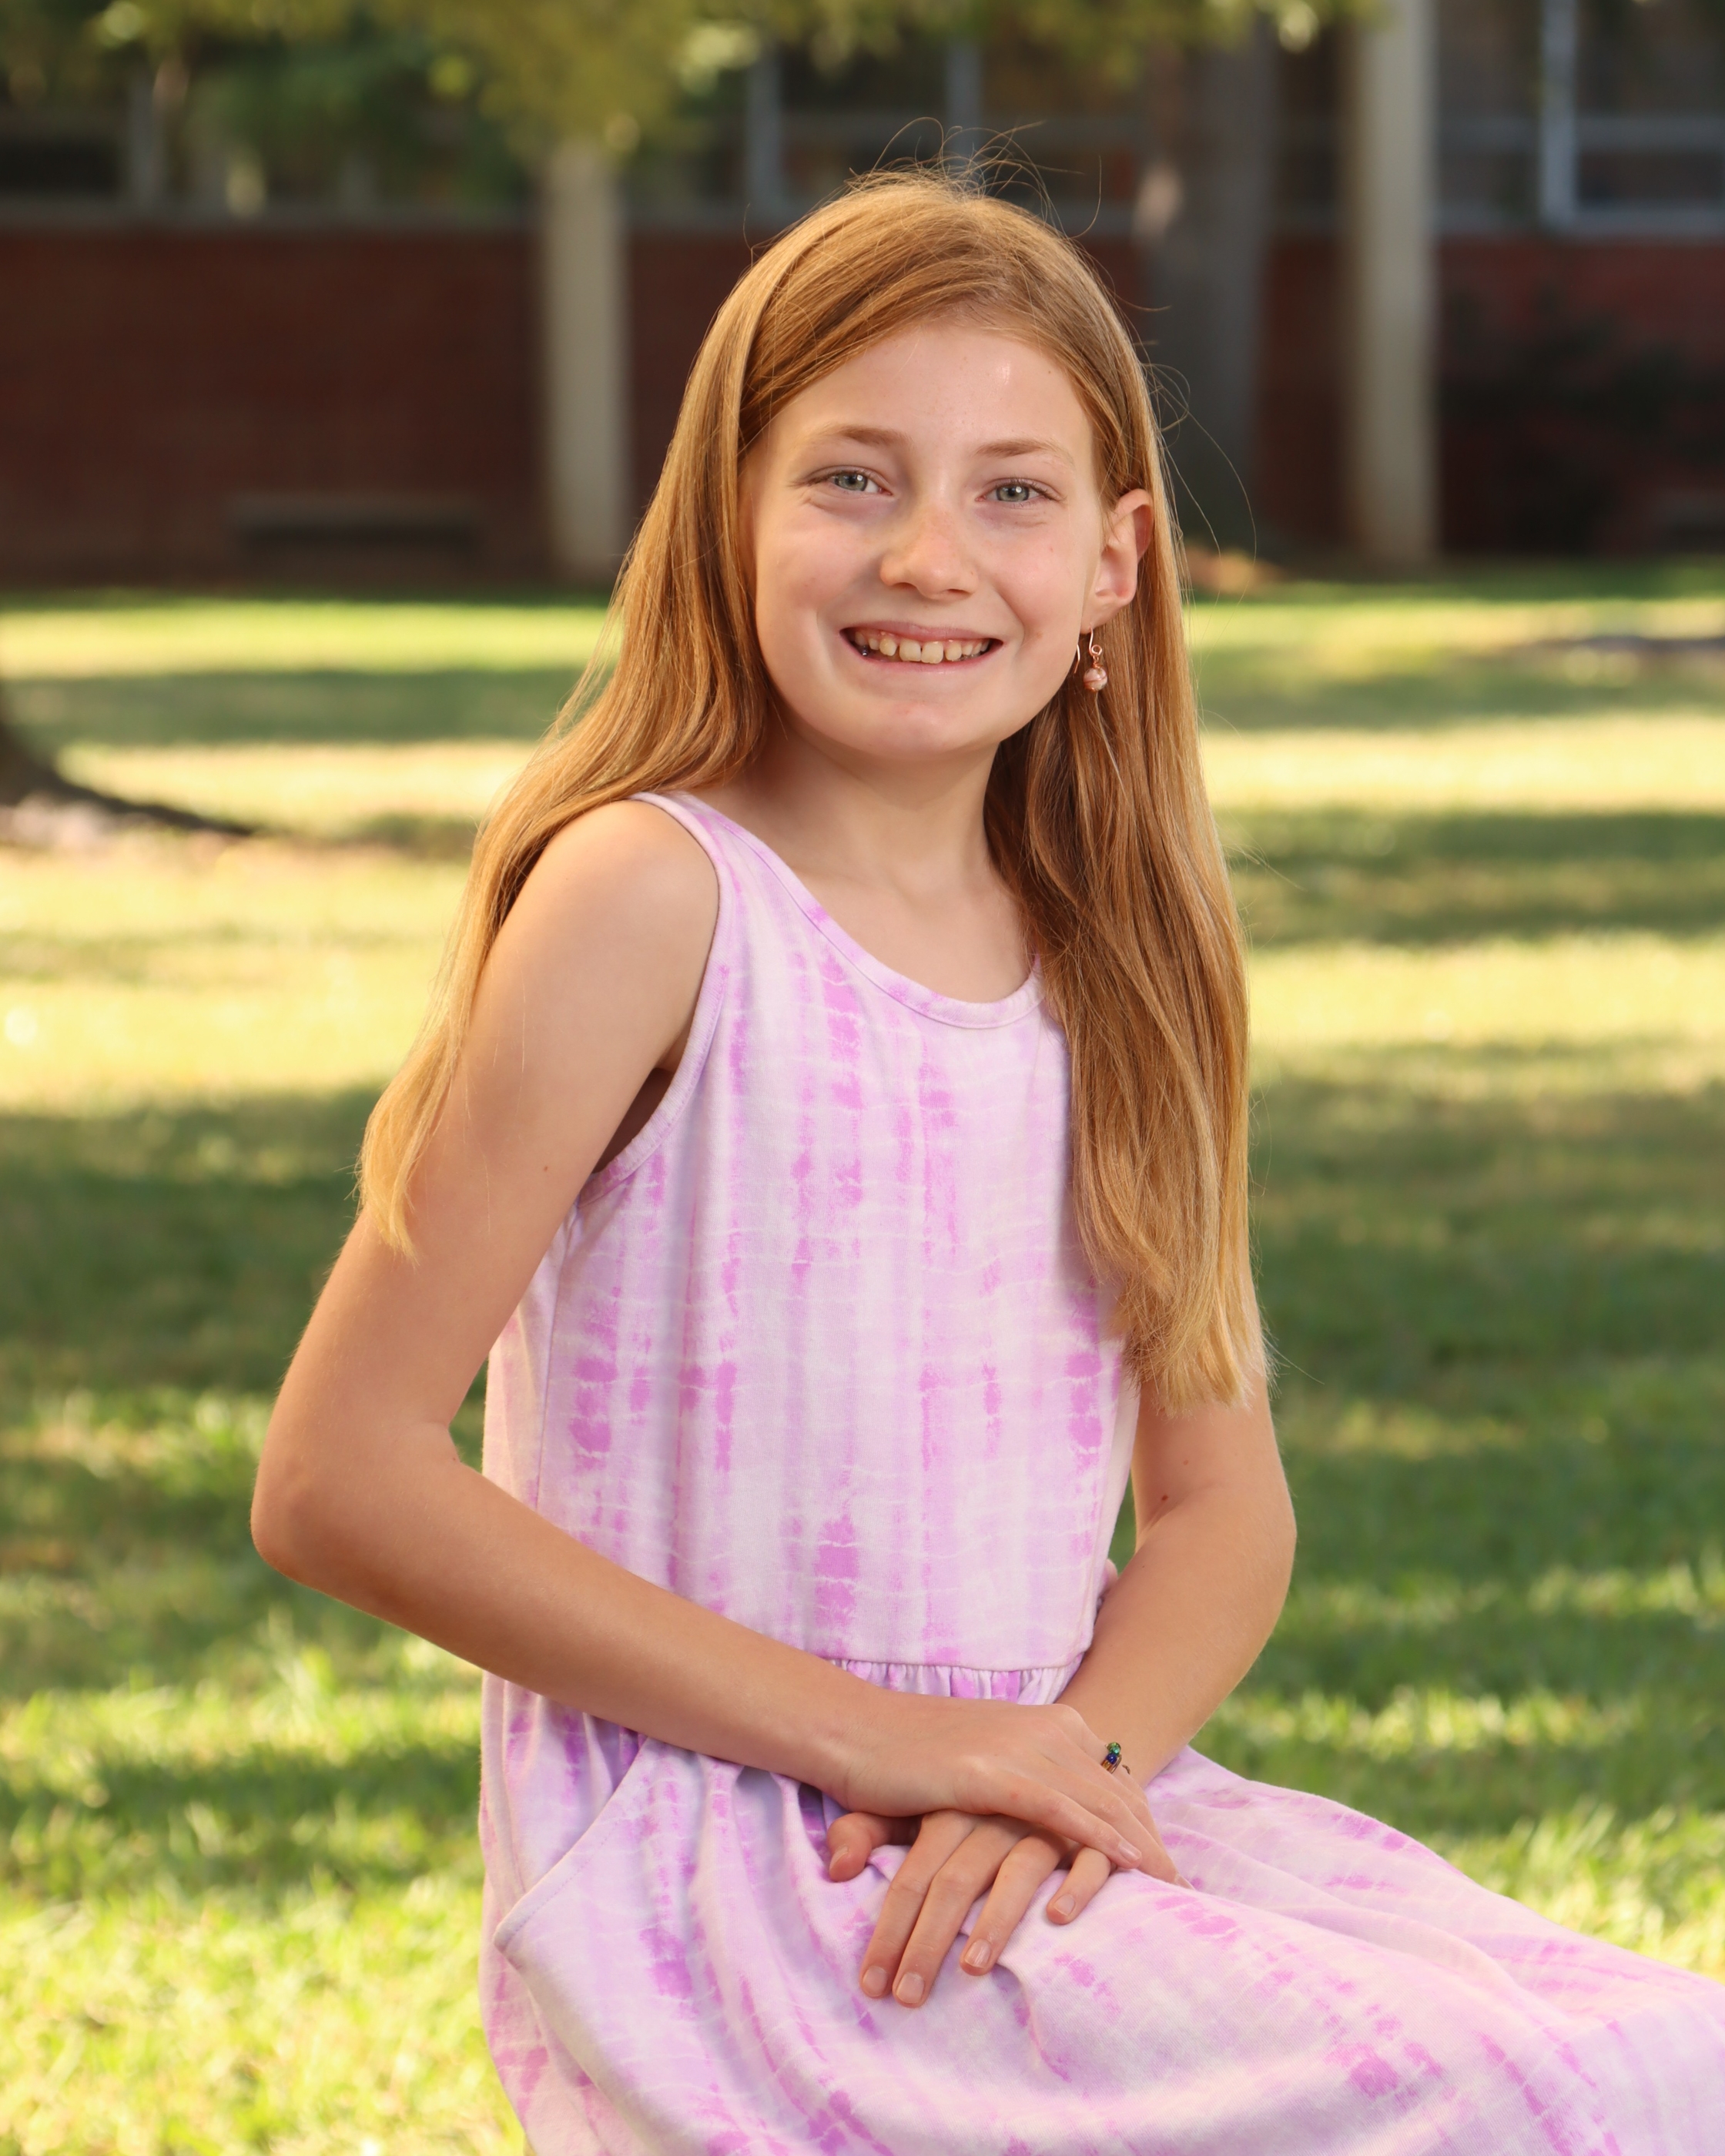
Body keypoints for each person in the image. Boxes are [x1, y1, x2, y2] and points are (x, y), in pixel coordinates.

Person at [252, 172, 1725, 2154]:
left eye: (1011, 492)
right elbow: (334, 1472)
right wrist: (908, 1744)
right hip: (753, 1889)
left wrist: (1060, 1766)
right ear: (726, 516)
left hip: (1050, 1817)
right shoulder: (650, 900)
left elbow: (1220, 1506)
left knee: (1659, 2054)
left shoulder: (1122, 963)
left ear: (1116, 561)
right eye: (851, 478)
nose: (928, 554)